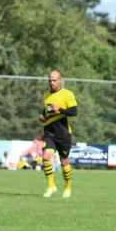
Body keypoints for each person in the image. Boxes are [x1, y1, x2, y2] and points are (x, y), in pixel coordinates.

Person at [38, 70, 78, 198]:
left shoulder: (67, 94)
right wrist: (43, 117)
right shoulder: (46, 95)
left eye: (54, 80)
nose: (51, 83)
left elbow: (74, 112)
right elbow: (46, 111)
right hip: (49, 132)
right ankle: (51, 186)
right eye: (50, 80)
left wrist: (59, 109)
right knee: (45, 157)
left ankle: (68, 187)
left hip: (64, 133)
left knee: (64, 161)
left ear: (60, 80)